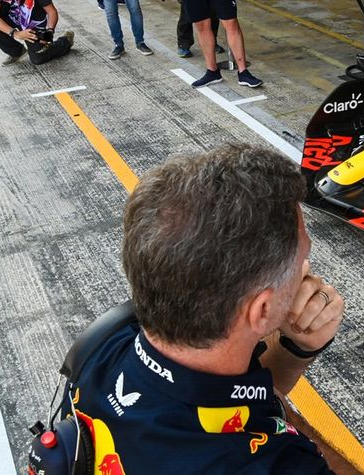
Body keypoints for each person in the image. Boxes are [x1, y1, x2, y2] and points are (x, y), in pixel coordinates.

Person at [62, 144, 347, 473]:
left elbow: (219, 394)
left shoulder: (104, 344)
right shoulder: (271, 464)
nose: (307, 271)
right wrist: (285, 421)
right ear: (262, 310)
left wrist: (296, 349)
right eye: (302, 259)